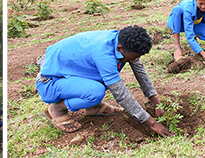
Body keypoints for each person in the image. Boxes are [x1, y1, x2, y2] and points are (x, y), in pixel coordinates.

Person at [35, 25, 172, 137]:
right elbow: (121, 94)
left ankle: (93, 107)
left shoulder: (124, 42)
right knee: (96, 92)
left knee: (107, 76)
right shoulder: (103, 54)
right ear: (120, 48)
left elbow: (140, 71)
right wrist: (152, 123)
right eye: (130, 58)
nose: (132, 61)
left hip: (70, 74)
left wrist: (156, 102)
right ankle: (57, 108)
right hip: (49, 82)